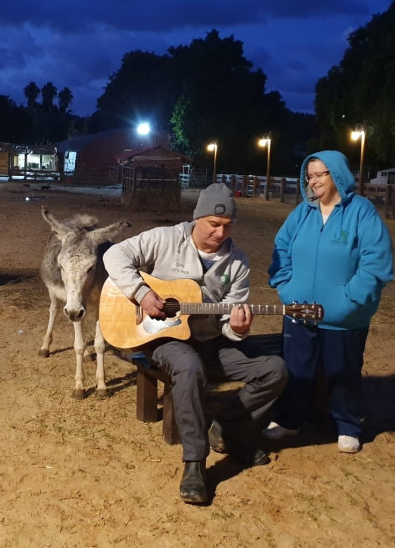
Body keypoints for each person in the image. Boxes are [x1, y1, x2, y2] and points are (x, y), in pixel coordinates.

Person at [103, 183, 288, 505]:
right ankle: (194, 462)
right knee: (189, 367)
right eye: (213, 225)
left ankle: (229, 429)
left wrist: (239, 330)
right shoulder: (165, 239)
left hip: (211, 342)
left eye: (227, 226)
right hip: (164, 338)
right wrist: (142, 293)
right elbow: (114, 254)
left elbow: (231, 323)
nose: (220, 233)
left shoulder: (237, 263)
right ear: (197, 219)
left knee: (275, 369)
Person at [263, 150, 393, 454]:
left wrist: (350, 301)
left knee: (343, 370)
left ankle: (347, 425)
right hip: (299, 309)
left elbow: (376, 261)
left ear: (337, 174)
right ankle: (288, 419)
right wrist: (285, 286)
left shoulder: (362, 211)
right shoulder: (303, 212)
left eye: (319, 174)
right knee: (296, 368)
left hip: (344, 316)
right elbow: (282, 247)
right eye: (309, 175)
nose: (313, 180)